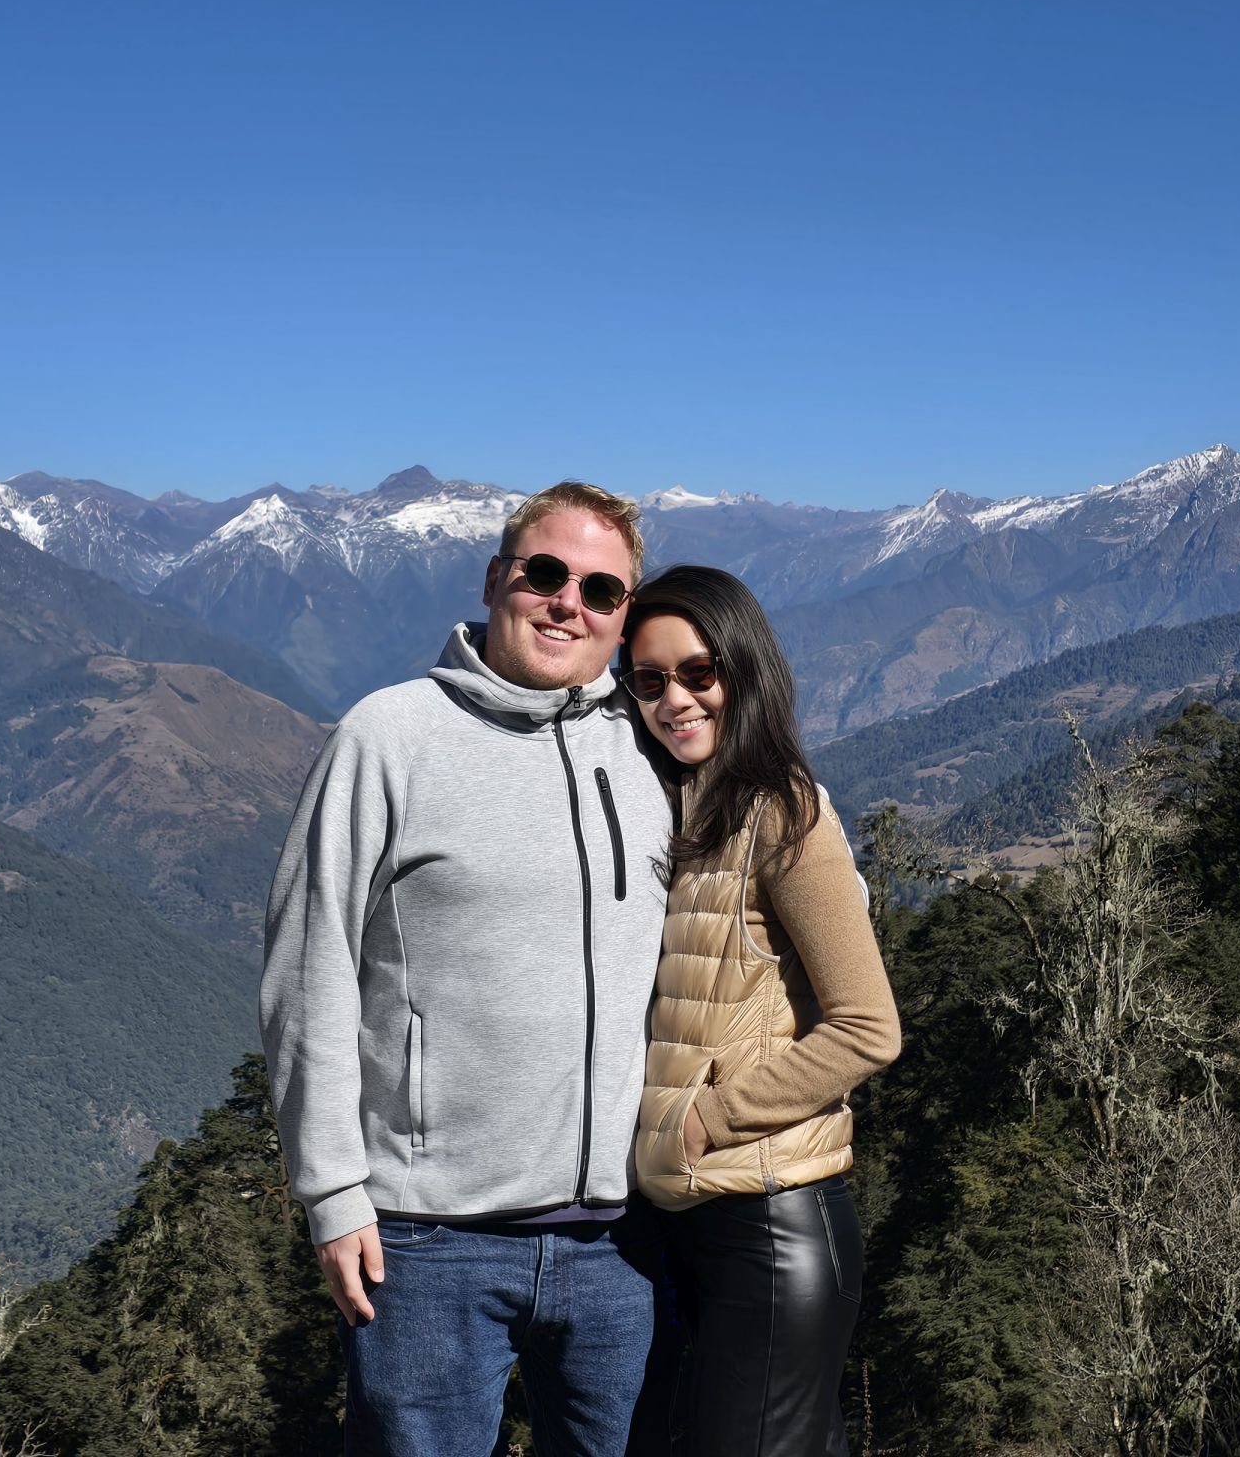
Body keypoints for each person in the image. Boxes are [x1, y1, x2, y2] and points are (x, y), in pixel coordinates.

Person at [258, 482, 679, 1457]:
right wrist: (331, 1193)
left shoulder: (651, 742)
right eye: (545, 573)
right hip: (427, 1239)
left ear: (624, 618)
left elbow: (774, 835)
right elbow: (307, 966)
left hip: (625, 1241)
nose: (567, 603)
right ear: (496, 579)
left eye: (601, 591)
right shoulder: (389, 737)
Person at [622, 565, 902, 1456]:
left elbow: (869, 1028)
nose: (674, 699)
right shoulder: (690, 804)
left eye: (698, 672)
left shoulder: (785, 815)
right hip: (700, 1223)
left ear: (743, 669)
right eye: (650, 680)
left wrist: (709, 1117)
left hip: (772, 1230)